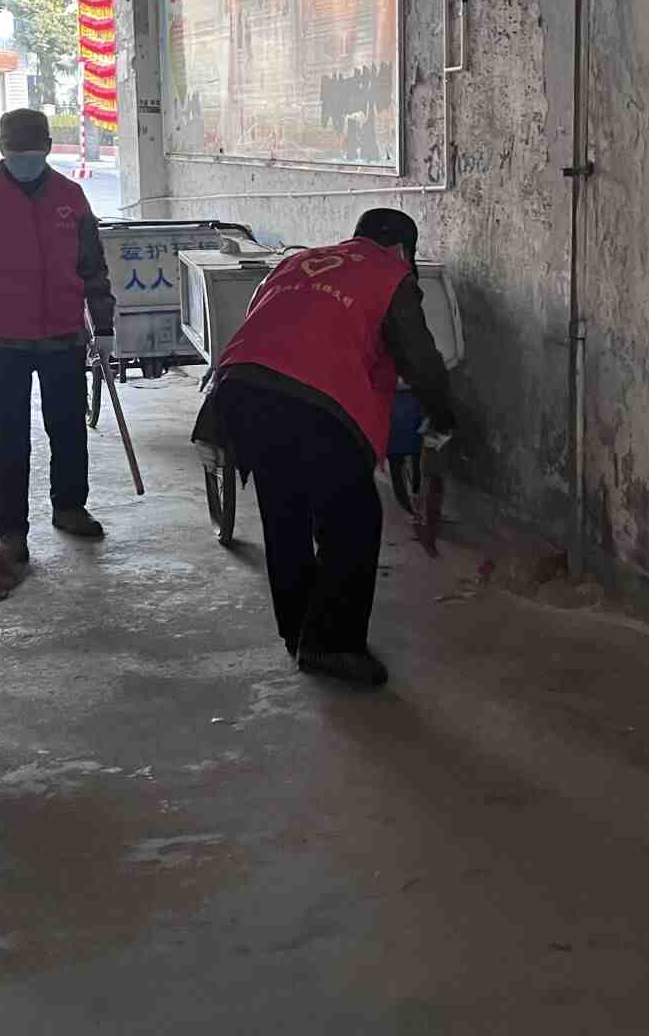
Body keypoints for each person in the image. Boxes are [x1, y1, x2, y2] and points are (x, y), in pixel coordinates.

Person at [192, 208, 456, 688]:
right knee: (353, 521)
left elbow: (258, 326)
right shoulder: (390, 272)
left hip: (241, 392)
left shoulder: (298, 262)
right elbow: (419, 357)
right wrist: (443, 416)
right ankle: (332, 645)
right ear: (403, 249)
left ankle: (299, 632)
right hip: (317, 399)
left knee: (285, 514)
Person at [0, 108, 115, 568]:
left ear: (48, 150)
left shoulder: (71, 197)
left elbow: (93, 267)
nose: (26, 161)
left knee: (69, 428)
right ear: (2, 150)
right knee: (7, 438)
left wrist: (104, 327)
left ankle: (70, 507)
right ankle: (11, 531)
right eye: (17, 154)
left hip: (64, 336)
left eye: (34, 154)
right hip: (1, 341)